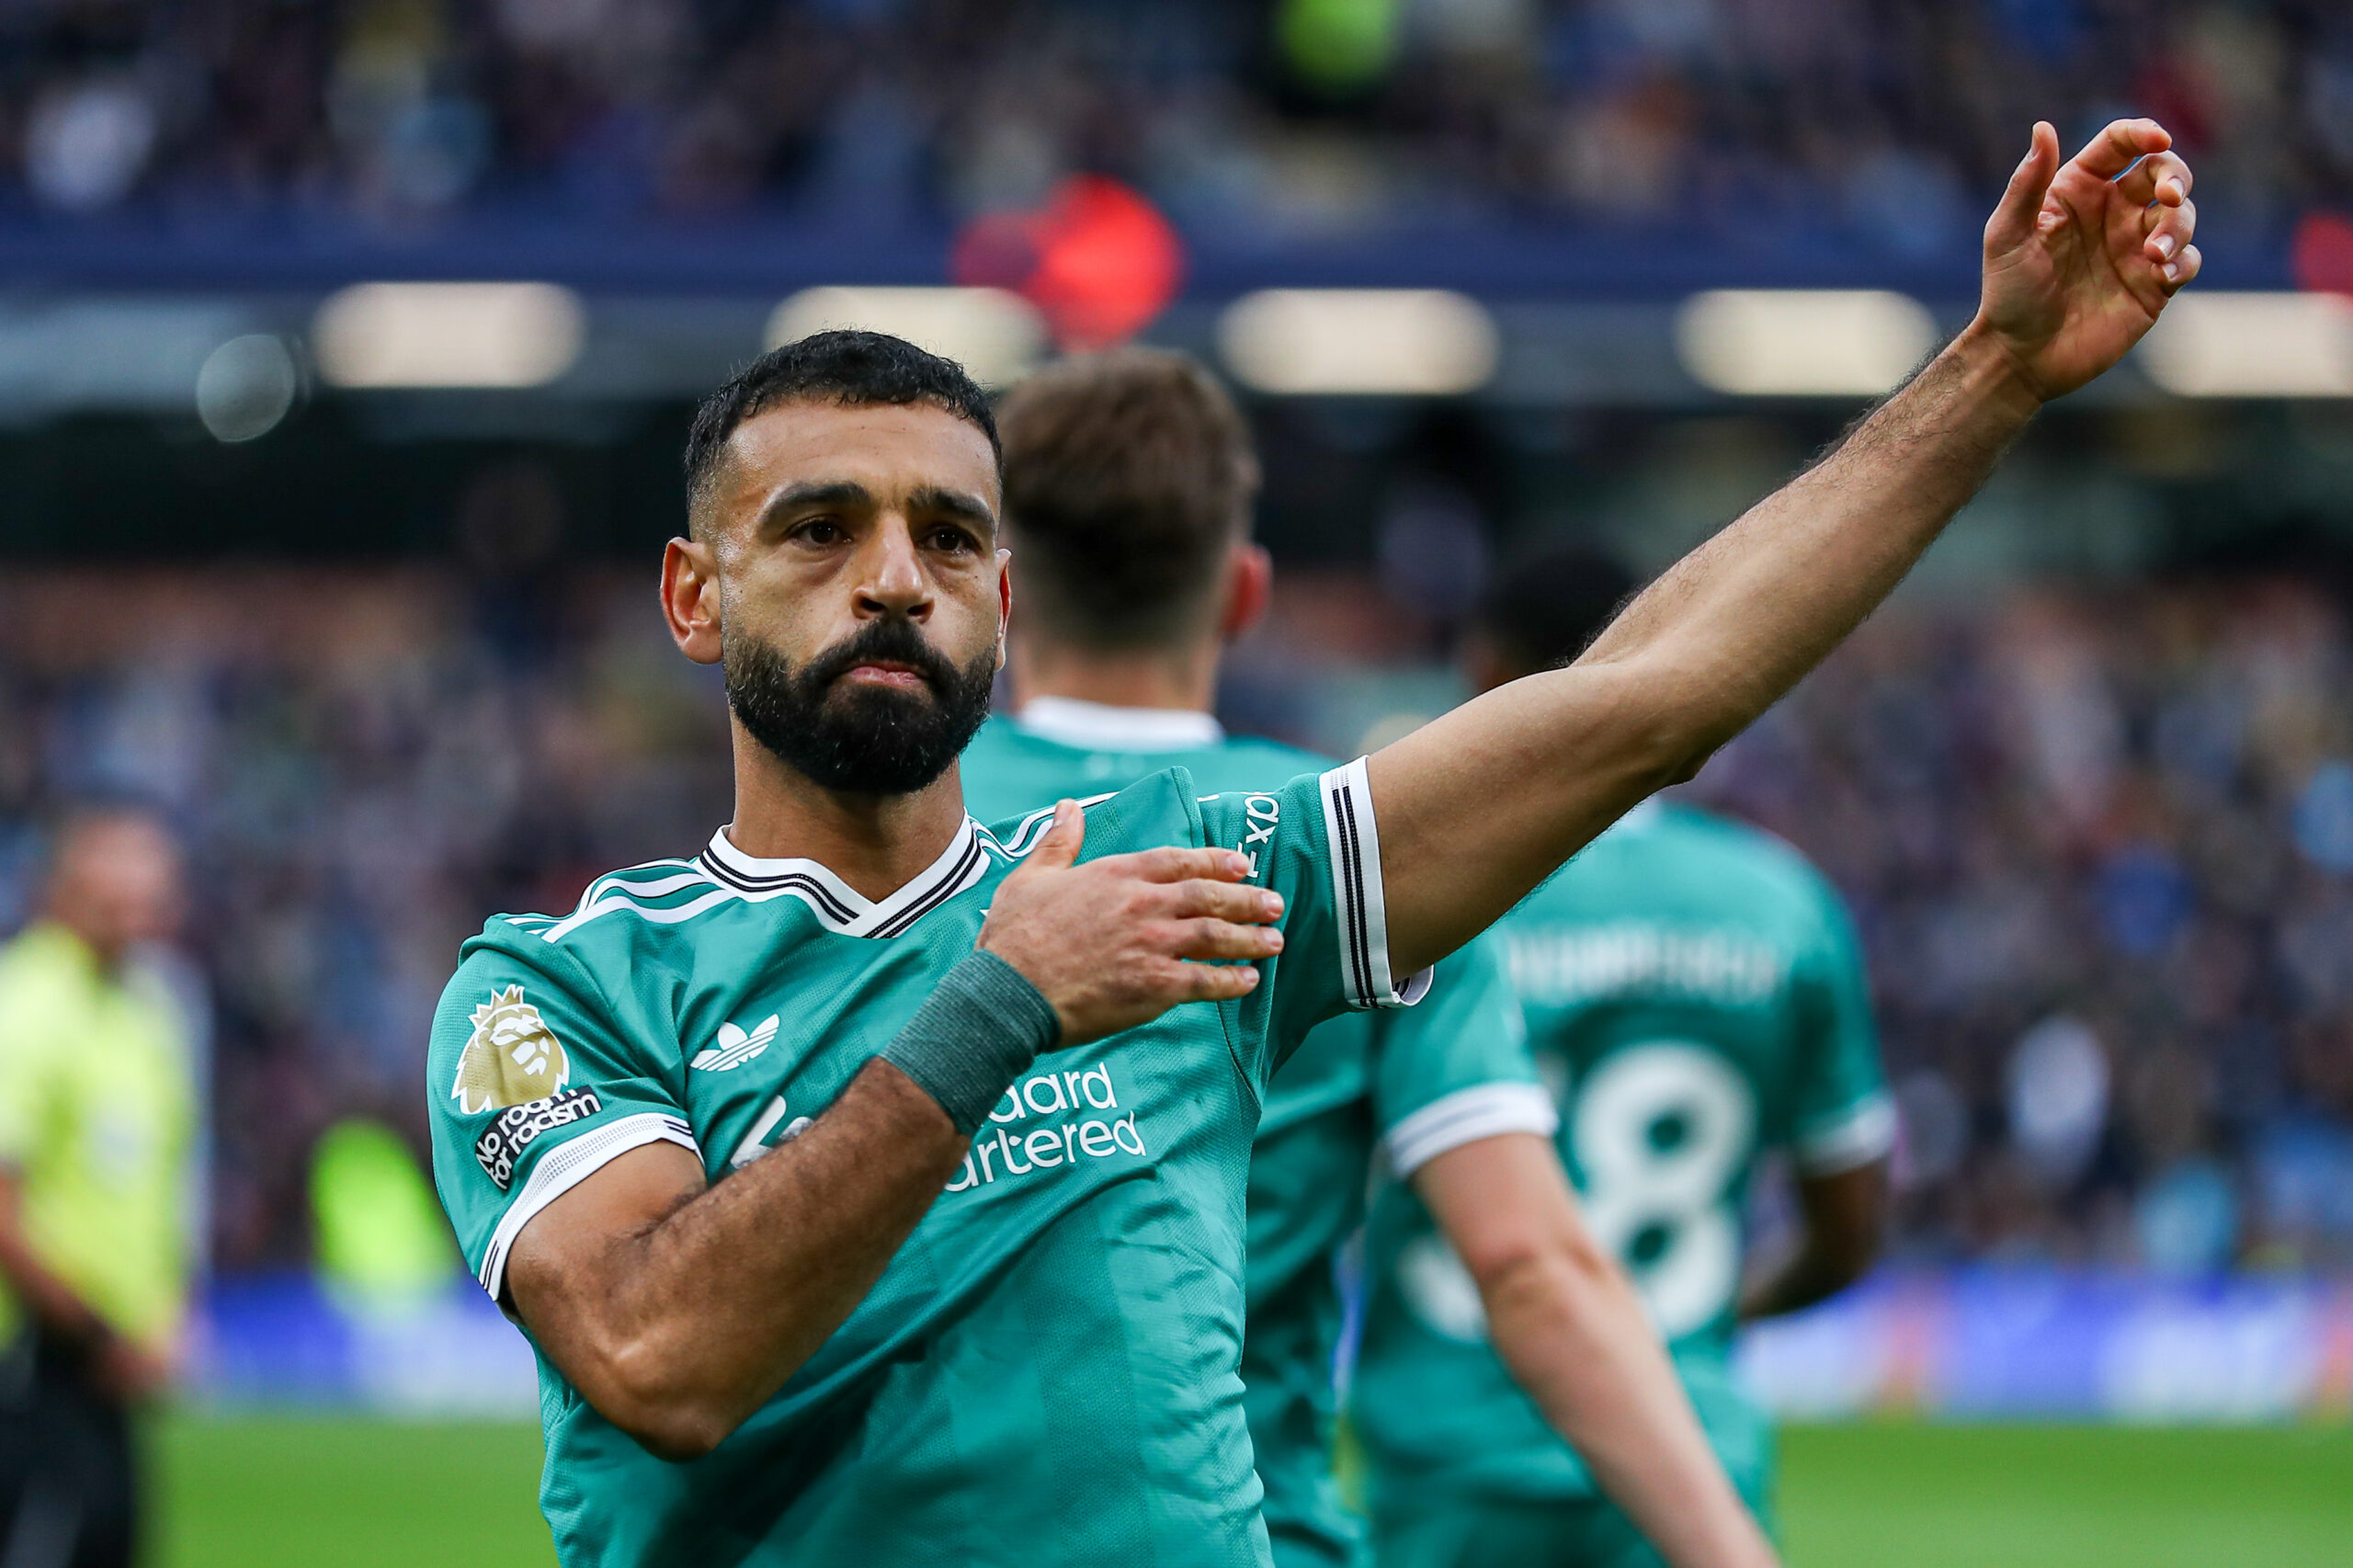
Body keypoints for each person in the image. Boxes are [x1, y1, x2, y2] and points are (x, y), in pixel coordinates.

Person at [421, 116, 2197, 1568]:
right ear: (689, 593)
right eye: (819, 528)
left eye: (950, 538)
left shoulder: (1191, 874)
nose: (897, 575)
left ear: (1007, 598)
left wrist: (1997, 372)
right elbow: (658, 1358)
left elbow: (1649, 695)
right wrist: (997, 1005)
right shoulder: (563, 990)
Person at [960, 347, 1772, 1568]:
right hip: (1249, 1532)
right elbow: (1529, 1263)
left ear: (1006, 595)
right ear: (1242, 592)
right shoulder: (1358, 852)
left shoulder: (895, 832)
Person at [1351, 544, 1892, 1568]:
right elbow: (1851, 1227)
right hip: (1686, 1455)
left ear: (1480, 673)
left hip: (1453, 1457)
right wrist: (1714, 1311)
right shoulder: (1782, 905)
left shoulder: (1407, 899)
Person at [0, 807, 197, 1568]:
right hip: (33, 1367)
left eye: (155, 892)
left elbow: (151, 1188)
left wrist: (165, 1311)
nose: (143, 909)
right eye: (121, 891)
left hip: (105, 1375)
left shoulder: (147, 1011)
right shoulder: (27, 1005)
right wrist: (98, 1335)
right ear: (66, 888)